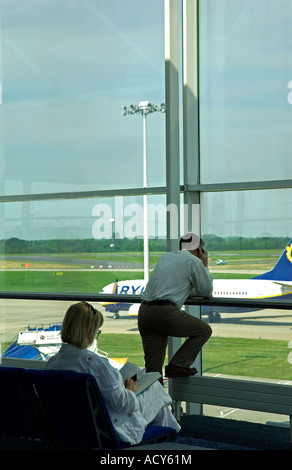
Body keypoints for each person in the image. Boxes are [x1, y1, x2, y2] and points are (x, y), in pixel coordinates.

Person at [45, 301, 180, 446]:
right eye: (96, 331)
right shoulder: (95, 364)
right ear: (89, 331)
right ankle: (172, 436)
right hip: (109, 429)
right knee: (155, 389)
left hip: (73, 427)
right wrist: (130, 390)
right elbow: (123, 404)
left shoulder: (52, 364)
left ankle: (169, 434)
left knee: (156, 400)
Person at [138, 232, 213, 379]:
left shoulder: (165, 257)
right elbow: (206, 290)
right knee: (204, 331)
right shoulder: (194, 261)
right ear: (198, 249)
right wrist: (204, 264)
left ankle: (154, 399)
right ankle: (178, 364)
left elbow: (173, 288)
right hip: (165, 313)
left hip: (145, 312)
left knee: (152, 372)